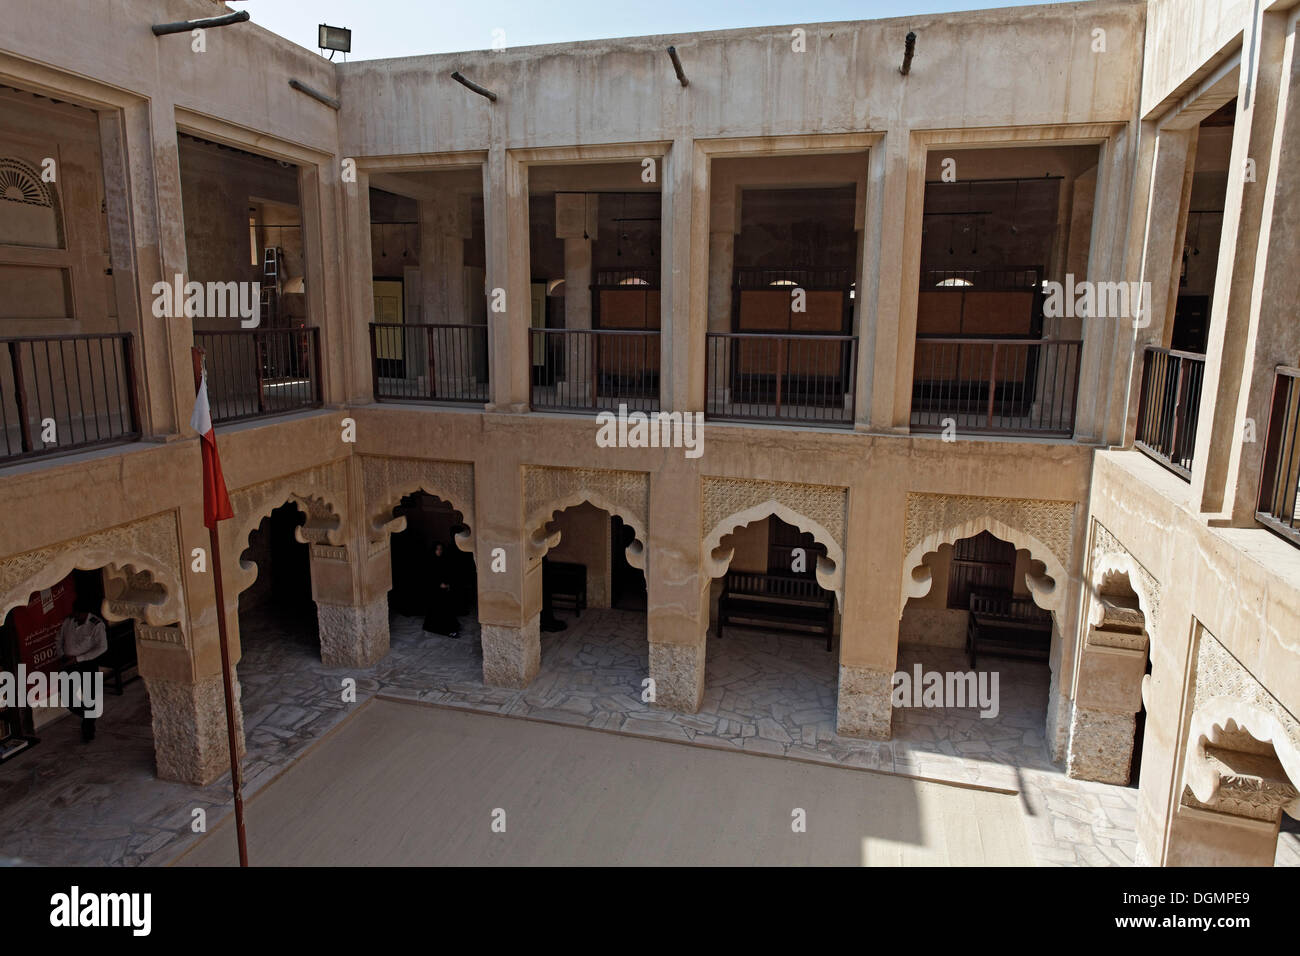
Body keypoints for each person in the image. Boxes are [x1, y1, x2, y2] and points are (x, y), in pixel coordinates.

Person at [57, 602, 108, 743]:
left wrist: (79, 658)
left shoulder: (96, 624)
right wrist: (62, 655)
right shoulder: (68, 621)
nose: (75, 617)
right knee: (68, 698)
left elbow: (102, 647)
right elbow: (59, 639)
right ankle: (89, 716)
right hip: (69, 663)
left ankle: (88, 728)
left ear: (85, 613)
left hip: (87, 663)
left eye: (78, 614)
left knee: (90, 696)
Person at [422, 542, 460, 638]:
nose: (439, 551)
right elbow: (428, 577)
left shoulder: (443, 561)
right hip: (434, 592)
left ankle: (451, 628)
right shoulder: (429, 562)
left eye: (441, 549)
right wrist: (438, 585)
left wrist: (447, 585)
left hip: (443, 591)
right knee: (439, 611)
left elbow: (446, 574)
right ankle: (447, 630)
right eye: (437, 549)